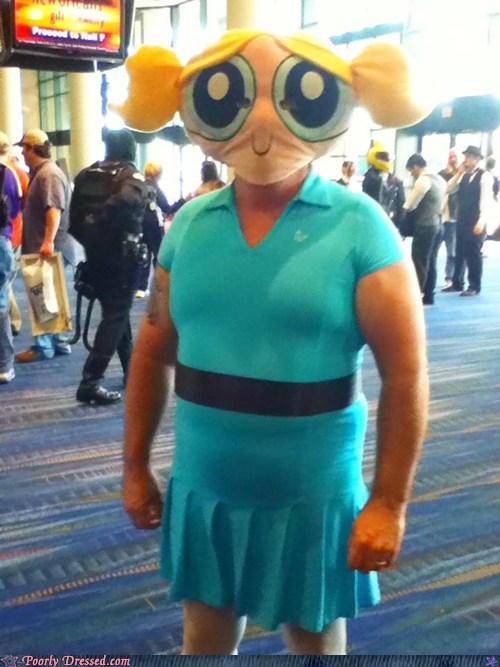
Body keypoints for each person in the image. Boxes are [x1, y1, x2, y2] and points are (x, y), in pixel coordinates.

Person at [118, 31, 429, 655]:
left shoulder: (361, 226)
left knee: (315, 642)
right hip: (205, 480)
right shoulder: (189, 226)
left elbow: (406, 374)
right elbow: (154, 346)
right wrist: (134, 466)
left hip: (312, 490)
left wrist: (389, 502)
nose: (262, 123)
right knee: (204, 641)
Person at [71, 129, 151, 405]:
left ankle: (132, 371)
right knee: (115, 317)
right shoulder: (131, 177)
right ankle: (90, 382)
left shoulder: (87, 174)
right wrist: (106, 231)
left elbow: (75, 220)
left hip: (94, 256)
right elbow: (126, 203)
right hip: (120, 259)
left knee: (118, 313)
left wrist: (94, 239)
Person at [14, 129, 73, 363]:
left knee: (42, 296)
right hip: (48, 245)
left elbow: (54, 210)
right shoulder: (46, 173)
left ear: (31, 149)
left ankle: (44, 346)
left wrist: (47, 241)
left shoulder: (47, 175)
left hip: (46, 247)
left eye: (24, 148)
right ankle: (58, 342)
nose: (22, 153)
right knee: (51, 295)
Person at [442, 145, 494, 297]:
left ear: (477, 159)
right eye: (466, 156)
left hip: (475, 220)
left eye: (470, 157)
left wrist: (481, 221)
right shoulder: (463, 175)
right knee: (459, 252)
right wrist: (458, 173)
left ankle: (474, 285)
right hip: (462, 219)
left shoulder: (485, 176)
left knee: (473, 254)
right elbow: (448, 189)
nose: (467, 159)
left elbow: (485, 201)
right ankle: (457, 283)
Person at [134, 161, 185, 299]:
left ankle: (140, 288)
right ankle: (159, 286)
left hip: (140, 224)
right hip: (155, 225)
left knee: (143, 254)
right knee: (159, 255)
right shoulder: (155, 188)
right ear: (158, 174)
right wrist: (181, 202)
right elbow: (167, 209)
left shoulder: (139, 186)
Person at [403, 154, 445, 306]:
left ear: (415, 167)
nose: (411, 174)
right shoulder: (439, 179)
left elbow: (410, 204)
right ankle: (429, 295)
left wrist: (403, 219)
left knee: (419, 261)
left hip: (425, 226)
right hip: (439, 224)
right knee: (431, 260)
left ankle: (416, 296)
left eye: (411, 171)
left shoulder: (423, 180)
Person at [0, 142, 21, 384]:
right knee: (1, 301)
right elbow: (14, 211)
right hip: (2, 239)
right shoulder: (8, 175)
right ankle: (4, 365)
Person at [6, 147, 29, 337]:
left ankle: (13, 321)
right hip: (14, 234)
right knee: (6, 282)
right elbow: (23, 205)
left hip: (9, 235)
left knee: (4, 283)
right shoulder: (16, 173)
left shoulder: (12, 173)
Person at [362, 141, 405, 230]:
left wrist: (399, 222)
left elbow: (400, 202)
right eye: (382, 157)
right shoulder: (370, 177)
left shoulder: (395, 180)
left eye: (386, 157)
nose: (385, 160)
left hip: (390, 221)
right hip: (374, 220)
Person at [438, 149, 459, 288]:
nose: (453, 159)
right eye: (450, 156)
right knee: (433, 249)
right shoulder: (441, 174)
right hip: (441, 217)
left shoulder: (463, 175)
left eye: (455, 156)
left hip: (454, 218)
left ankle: (449, 277)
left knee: (452, 251)